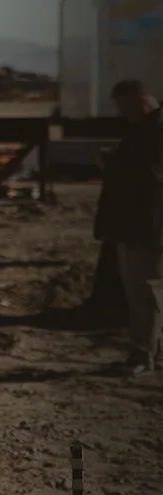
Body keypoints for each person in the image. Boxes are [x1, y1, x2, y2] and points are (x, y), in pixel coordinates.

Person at [97, 79, 163, 375]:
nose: (124, 115)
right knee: (148, 292)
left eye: (126, 108)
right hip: (141, 224)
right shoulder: (148, 130)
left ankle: (142, 355)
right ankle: (151, 352)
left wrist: (112, 166)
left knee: (142, 293)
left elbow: (147, 178)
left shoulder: (154, 131)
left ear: (141, 102)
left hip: (144, 226)